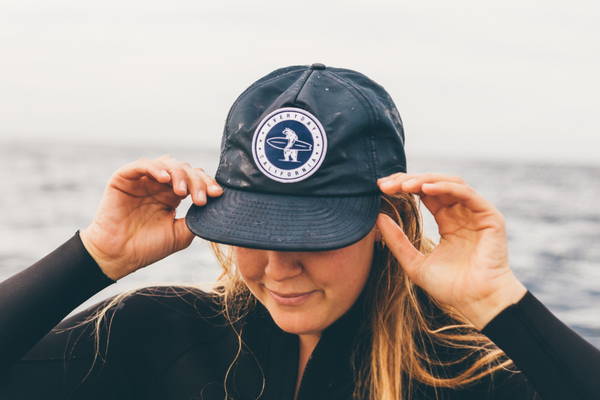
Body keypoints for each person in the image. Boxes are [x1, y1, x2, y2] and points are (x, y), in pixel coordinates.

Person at [0, 64, 599, 400]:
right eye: (255, 231)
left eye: (312, 236)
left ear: (383, 223)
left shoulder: (465, 376)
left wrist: (501, 306)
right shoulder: (158, 332)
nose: (278, 268)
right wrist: (93, 257)